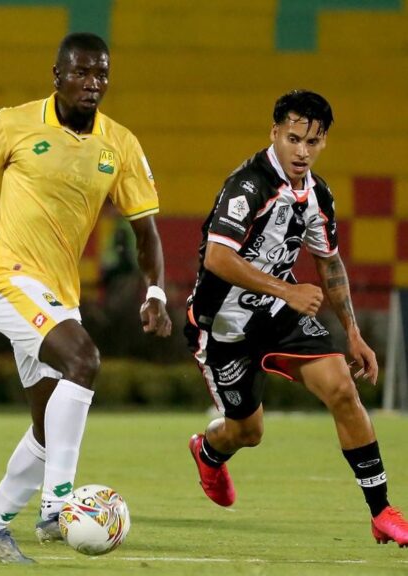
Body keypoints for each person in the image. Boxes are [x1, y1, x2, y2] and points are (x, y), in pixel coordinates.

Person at [0, 32, 172, 563]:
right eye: (82, 73)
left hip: (57, 294)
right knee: (84, 360)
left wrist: (155, 290)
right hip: (4, 276)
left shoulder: (121, 145)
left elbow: (146, 230)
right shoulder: (14, 122)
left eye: (101, 74)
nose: (93, 83)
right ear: (58, 76)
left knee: (48, 426)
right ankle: (59, 503)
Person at [185, 89, 408, 546]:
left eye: (313, 140)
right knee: (248, 432)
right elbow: (217, 258)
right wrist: (288, 289)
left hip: (278, 315)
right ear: (275, 134)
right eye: (294, 138)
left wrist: (353, 332)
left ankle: (381, 509)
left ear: (324, 141)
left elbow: (328, 262)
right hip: (222, 326)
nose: (302, 151)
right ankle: (208, 452)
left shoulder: (318, 195)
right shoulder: (248, 185)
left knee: (343, 389)